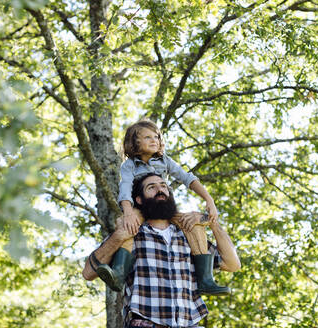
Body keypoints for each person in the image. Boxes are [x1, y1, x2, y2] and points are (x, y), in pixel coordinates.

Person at [82, 173, 241, 327]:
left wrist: (211, 221)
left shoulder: (189, 235)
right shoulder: (130, 236)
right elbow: (88, 273)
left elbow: (232, 264)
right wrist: (118, 236)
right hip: (145, 323)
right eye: (151, 187)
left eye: (164, 186)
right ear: (139, 200)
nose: (160, 190)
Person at [97, 119, 227, 294]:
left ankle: (205, 280)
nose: (154, 140)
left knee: (194, 224)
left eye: (157, 137)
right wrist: (128, 212)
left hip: (164, 208)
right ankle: (118, 275)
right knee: (126, 225)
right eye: (148, 137)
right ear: (135, 143)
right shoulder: (129, 165)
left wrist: (208, 199)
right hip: (140, 208)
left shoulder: (164, 160)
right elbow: (125, 188)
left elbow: (187, 177)